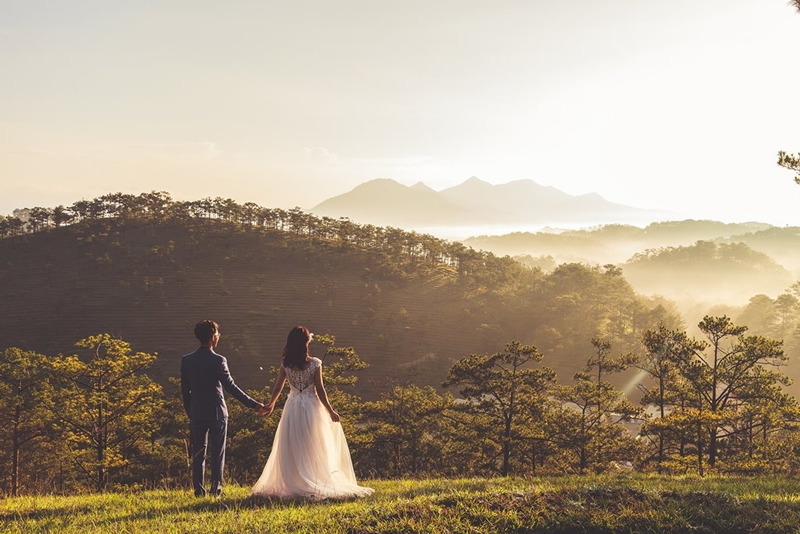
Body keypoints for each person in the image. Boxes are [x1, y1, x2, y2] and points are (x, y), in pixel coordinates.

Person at [251, 326, 374, 500]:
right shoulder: (315, 363)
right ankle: (315, 478)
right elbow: (320, 390)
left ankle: (295, 480)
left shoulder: (286, 365)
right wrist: (330, 411)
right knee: (314, 443)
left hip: (292, 407)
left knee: (293, 443)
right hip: (311, 407)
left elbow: (278, 387)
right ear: (306, 342)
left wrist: (271, 404)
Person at [181, 319, 264, 497]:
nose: (219, 337)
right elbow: (231, 387)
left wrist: (190, 411)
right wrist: (254, 405)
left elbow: (185, 391)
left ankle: (198, 491)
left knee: (198, 454)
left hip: (196, 412)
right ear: (212, 337)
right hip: (217, 412)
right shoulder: (219, 360)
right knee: (217, 453)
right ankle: (215, 491)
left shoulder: (187, 360)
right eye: (217, 334)